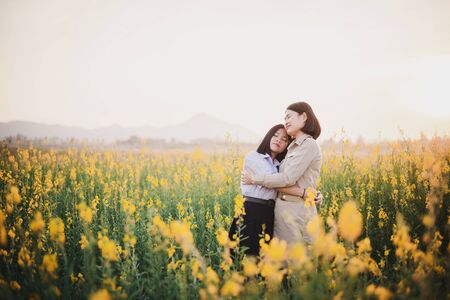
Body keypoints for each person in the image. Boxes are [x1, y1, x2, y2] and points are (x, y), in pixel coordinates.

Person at [229, 124, 322, 256]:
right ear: (268, 136)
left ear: (287, 146)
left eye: (285, 139)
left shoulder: (280, 164)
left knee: (263, 260)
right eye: (276, 135)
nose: (279, 140)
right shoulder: (254, 157)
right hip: (251, 210)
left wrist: (315, 194)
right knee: (245, 257)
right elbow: (274, 182)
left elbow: (284, 180)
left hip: (269, 213)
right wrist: (304, 193)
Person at [242, 101, 322, 245]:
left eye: (289, 117)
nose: (286, 121)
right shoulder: (293, 148)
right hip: (281, 214)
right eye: (285, 118)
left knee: (295, 262)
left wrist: (255, 179)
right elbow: (286, 179)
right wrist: (305, 192)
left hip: (296, 214)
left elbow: (287, 178)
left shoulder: (308, 144)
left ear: (303, 117)